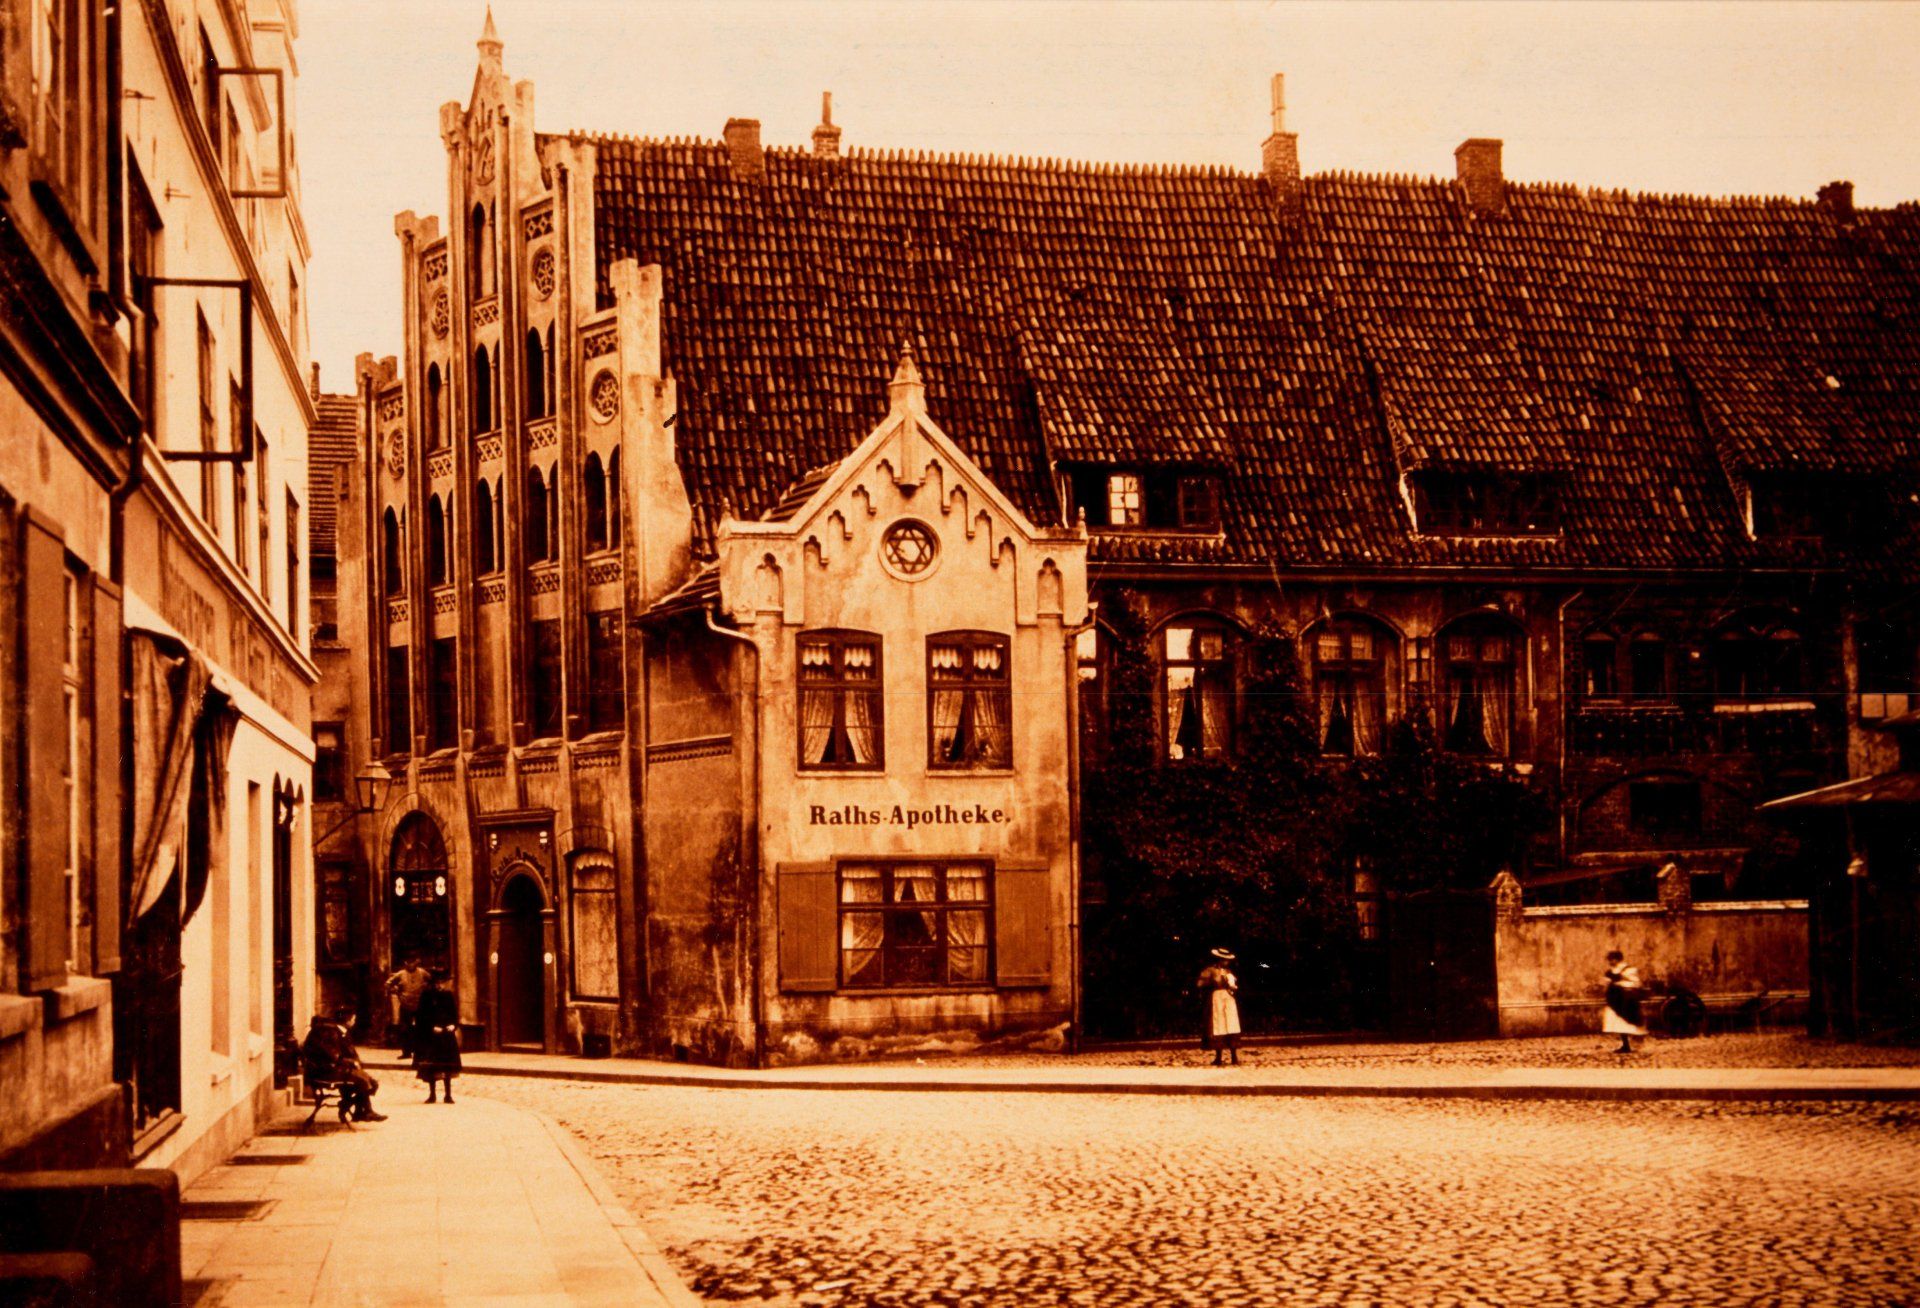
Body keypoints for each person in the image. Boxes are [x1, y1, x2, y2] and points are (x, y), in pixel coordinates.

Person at [300, 1008, 387, 1122]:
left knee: (370, 1081)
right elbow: (332, 1055)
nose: (354, 1021)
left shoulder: (338, 1032)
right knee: (363, 1081)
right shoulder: (330, 1033)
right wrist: (350, 1062)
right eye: (353, 1019)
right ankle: (358, 1109)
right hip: (324, 1071)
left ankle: (358, 1109)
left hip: (328, 1068)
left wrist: (354, 1062)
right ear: (348, 1020)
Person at [411, 971, 462, 1104]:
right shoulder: (426, 996)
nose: (440, 986)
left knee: (448, 1066)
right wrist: (431, 1027)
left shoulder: (448, 995)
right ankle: (432, 1094)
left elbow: (454, 1014)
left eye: (442, 983)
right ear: (432, 984)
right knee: (432, 1067)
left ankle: (448, 1095)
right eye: (437, 983)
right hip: (432, 1036)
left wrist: (453, 1025)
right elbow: (421, 1016)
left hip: (447, 1034)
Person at [1196, 948, 1242, 1067]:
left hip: (1228, 998)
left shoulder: (1228, 972)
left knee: (1231, 1024)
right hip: (1217, 998)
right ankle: (1218, 1057)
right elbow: (1199, 984)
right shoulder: (1210, 970)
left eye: (1227, 960)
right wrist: (1211, 982)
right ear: (1219, 959)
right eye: (1224, 960)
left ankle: (1234, 1056)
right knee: (1219, 1025)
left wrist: (1232, 986)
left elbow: (1234, 985)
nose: (1226, 962)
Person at [384, 956, 432, 1057]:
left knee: (422, 1028)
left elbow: (432, 981)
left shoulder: (422, 972)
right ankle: (406, 1052)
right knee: (405, 1029)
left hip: (420, 1005)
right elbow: (388, 984)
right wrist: (395, 990)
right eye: (408, 962)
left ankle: (421, 1052)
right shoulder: (401, 974)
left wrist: (426, 987)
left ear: (417, 962)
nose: (410, 964)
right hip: (405, 1005)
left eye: (412, 962)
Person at [1602, 949, 1648, 1054]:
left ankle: (1636, 1041)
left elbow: (1635, 984)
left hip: (1627, 1001)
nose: (1610, 962)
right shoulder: (1610, 971)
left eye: (1612, 960)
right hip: (1614, 1001)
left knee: (1630, 1022)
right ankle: (1625, 1044)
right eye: (1609, 960)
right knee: (1619, 1023)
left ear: (1617, 959)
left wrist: (1619, 984)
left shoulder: (1628, 970)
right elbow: (1606, 984)